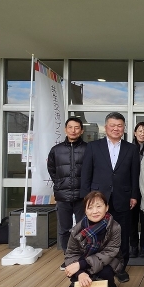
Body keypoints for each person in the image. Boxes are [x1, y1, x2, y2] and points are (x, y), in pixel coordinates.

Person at [80, 112, 140, 284]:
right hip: (98, 200)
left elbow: (135, 175)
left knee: (122, 234)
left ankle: (120, 268)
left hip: (123, 198)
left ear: (124, 128)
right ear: (106, 127)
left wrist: (134, 195)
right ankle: (97, 266)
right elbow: (86, 173)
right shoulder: (93, 147)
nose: (116, 128)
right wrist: (87, 198)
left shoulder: (131, 148)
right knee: (98, 234)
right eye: (112, 125)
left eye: (119, 125)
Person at [64, 191, 125, 287]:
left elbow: (109, 252)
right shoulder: (77, 229)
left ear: (106, 207)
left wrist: (81, 265)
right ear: (85, 210)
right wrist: (80, 273)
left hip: (109, 261)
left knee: (105, 272)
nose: (95, 211)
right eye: (90, 207)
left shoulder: (115, 227)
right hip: (84, 261)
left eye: (99, 206)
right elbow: (71, 254)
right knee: (79, 279)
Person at [47, 116, 87, 271]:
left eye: (77, 128)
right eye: (70, 127)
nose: (73, 130)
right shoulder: (56, 150)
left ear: (81, 130)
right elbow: (52, 169)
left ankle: (82, 258)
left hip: (82, 196)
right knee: (64, 229)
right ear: (65, 129)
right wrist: (59, 184)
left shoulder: (88, 149)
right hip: (63, 196)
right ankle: (68, 258)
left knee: (83, 229)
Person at [130, 122, 144, 258]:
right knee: (132, 220)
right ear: (135, 133)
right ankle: (133, 246)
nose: (142, 134)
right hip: (132, 188)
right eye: (140, 131)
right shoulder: (128, 148)